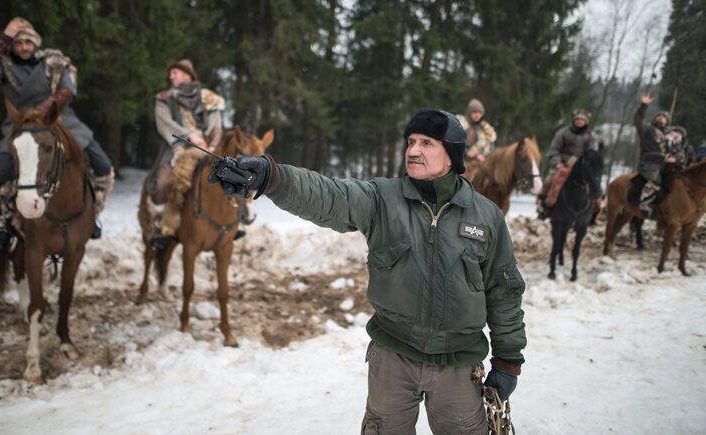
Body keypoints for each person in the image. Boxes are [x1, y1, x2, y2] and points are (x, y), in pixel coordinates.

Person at [209, 108, 527, 434]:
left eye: (427, 143)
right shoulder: (381, 199)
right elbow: (330, 196)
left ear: (453, 156)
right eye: (411, 141)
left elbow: (504, 292)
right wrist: (272, 177)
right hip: (393, 360)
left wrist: (507, 360)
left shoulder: (485, 216)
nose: (413, 150)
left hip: (458, 368)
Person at [0, 17, 113, 248]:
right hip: (20, 124)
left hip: (61, 119)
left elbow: (67, 91)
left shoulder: (54, 63)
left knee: (101, 164)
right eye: (18, 43)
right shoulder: (5, 66)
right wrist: (5, 35)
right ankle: (5, 223)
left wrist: (42, 111)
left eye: (28, 43)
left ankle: (91, 214)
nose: (24, 47)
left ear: (36, 44)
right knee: (3, 170)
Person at [146, 59, 225, 250]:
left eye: (175, 72)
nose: (170, 76)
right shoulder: (164, 98)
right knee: (162, 182)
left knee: (229, 175)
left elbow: (216, 125)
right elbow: (164, 124)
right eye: (170, 73)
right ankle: (159, 226)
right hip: (177, 147)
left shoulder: (209, 98)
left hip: (207, 148)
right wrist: (190, 135)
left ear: (187, 75)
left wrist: (213, 145)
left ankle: (231, 222)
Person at [537, 109, 598, 219]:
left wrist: (584, 162)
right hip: (563, 165)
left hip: (582, 166)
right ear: (574, 120)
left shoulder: (591, 135)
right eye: (577, 120)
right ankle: (545, 205)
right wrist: (558, 162)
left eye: (582, 120)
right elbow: (554, 150)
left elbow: (593, 152)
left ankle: (595, 209)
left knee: (596, 184)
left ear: (586, 122)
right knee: (549, 181)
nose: (579, 122)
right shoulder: (563, 133)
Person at [628, 92, 676, 218]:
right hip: (649, 164)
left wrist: (674, 157)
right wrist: (644, 105)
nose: (661, 118)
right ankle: (645, 203)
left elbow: (675, 151)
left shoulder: (670, 136)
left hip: (664, 166)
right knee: (659, 183)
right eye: (659, 116)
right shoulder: (647, 129)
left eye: (664, 118)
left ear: (667, 122)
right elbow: (638, 120)